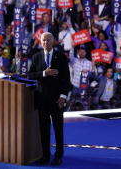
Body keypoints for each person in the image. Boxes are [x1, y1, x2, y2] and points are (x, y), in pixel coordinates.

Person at [28, 32, 70, 166]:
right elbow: (30, 75)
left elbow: (67, 80)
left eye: (48, 40)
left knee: (58, 128)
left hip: (57, 100)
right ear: (41, 42)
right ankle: (45, 155)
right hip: (41, 99)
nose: (46, 43)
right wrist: (44, 73)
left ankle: (59, 155)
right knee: (44, 129)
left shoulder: (61, 57)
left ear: (53, 42)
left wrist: (63, 96)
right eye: (43, 40)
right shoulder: (36, 57)